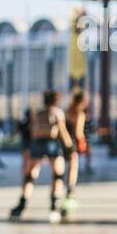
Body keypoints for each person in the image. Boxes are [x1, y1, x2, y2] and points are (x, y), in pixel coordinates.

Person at [9, 90, 72, 223]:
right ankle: (55, 206)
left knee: (30, 176)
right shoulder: (57, 112)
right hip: (51, 143)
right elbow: (62, 130)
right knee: (58, 175)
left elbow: (32, 130)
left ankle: (21, 205)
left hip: (37, 143)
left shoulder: (37, 113)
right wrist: (69, 147)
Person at [63, 90, 90, 213]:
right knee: (73, 167)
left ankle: (58, 196)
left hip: (62, 142)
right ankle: (70, 193)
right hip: (72, 143)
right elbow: (79, 133)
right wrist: (83, 144)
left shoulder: (66, 111)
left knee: (60, 170)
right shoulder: (80, 114)